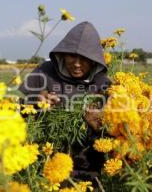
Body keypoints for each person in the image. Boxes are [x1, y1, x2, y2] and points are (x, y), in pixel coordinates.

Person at [18, 21, 111, 183]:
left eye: (84, 58)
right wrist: (35, 102)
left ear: (94, 60)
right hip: (44, 164)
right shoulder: (44, 72)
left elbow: (116, 134)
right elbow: (14, 108)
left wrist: (100, 124)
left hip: (87, 170)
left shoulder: (103, 83)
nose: (76, 63)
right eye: (72, 56)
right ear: (62, 54)